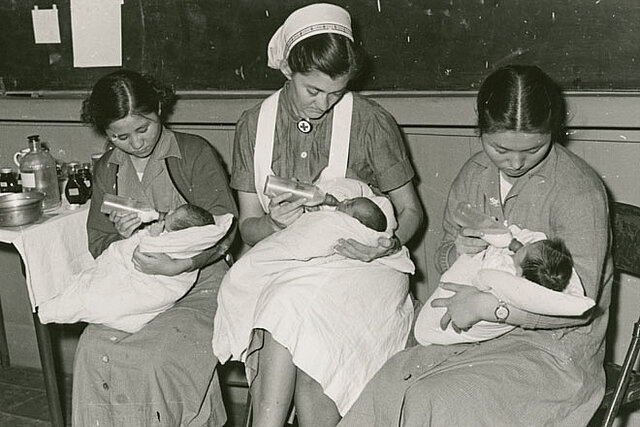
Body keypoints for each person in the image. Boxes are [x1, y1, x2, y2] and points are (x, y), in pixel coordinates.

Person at [338, 65, 612, 426]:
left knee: (433, 397)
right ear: (480, 130)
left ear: (554, 131)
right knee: (390, 382)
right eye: (500, 148)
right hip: (473, 333)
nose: (515, 162)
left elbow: (579, 305)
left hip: (553, 351)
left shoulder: (578, 192)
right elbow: (442, 257)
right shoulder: (474, 174)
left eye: (534, 148)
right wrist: (459, 251)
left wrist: (492, 308)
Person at [231, 3, 423, 425]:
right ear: (287, 71)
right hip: (287, 260)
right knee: (287, 303)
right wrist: (275, 223)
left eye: (336, 92)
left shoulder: (370, 121)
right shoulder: (253, 125)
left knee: (297, 329)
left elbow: (410, 211)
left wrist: (387, 244)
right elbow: (248, 225)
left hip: (363, 263)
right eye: (312, 91)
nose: (324, 103)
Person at [73, 69, 238, 426]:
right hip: (137, 286)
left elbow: (225, 233)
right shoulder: (108, 169)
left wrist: (182, 264)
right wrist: (125, 240)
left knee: (151, 359)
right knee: (92, 350)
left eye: (143, 129)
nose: (136, 143)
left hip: (200, 283)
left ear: (159, 109)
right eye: (120, 137)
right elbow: (99, 243)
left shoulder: (193, 153)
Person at [38, 204, 234, 334]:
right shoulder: (107, 168)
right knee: (92, 286)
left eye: (172, 214)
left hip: (176, 283)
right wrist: (126, 234)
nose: (168, 212)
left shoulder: (180, 242)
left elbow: (151, 249)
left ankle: (54, 309)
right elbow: (103, 244)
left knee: (95, 298)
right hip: (130, 271)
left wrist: (159, 244)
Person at [414, 226, 595, 346]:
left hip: (485, 326)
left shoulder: (506, 273)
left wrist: (496, 248)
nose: (521, 244)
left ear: (520, 272)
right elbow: (443, 255)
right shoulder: (529, 264)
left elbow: (481, 278)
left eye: (524, 249)